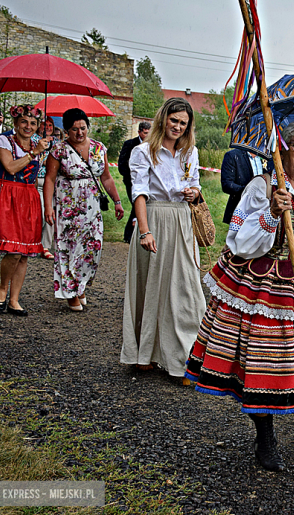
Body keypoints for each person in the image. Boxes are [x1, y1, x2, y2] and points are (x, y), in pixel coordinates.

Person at [185, 121, 294, 471]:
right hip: (261, 290)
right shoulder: (262, 187)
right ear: (282, 148)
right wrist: (272, 213)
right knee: (261, 362)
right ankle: (265, 438)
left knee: (287, 364)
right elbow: (239, 241)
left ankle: (270, 430)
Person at [120, 98, 205, 379]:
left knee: (186, 289)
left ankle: (183, 361)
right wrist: (144, 231)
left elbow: (194, 185)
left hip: (182, 219)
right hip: (154, 218)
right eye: (174, 120)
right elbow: (139, 193)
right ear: (163, 119)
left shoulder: (189, 152)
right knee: (151, 287)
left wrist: (193, 192)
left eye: (183, 123)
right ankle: (144, 353)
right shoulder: (143, 152)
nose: (178, 126)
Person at [43, 108, 125, 311]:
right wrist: (48, 206)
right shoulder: (59, 150)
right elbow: (49, 179)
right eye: (74, 129)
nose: (79, 133)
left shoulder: (99, 148)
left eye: (83, 128)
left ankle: (80, 286)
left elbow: (106, 177)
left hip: (92, 209)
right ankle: (70, 292)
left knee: (92, 248)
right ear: (66, 130)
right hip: (68, 208)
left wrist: (117, 201)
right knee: (69, 249)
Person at [0, 105, 51, 316]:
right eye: (24, 122)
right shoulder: (4, 141)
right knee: (13, 250)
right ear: (15, 123)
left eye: (33, 123)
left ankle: (14, 299)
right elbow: (10, 167)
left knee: (24, 252)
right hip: (9, 194)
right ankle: (3, 288)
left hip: (30, 196)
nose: (28, 126)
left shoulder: (39, 143)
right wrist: (34, 153)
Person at [117, 121, 151, 243]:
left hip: (146, 182)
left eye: (149, 133)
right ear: (139, 132)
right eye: (145, 133)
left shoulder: (152, 145)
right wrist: (130, 177)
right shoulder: (130, 144)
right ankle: (130, 234)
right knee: (136, 205)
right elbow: (122, 163)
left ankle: (132, 234)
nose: (147, 136)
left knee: (139, 206)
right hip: (131, 181)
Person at [220, 146, 266, 224]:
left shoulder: (267, 157)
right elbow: (227, 185)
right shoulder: (232, 156)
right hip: (241, 210)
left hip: (264, 211)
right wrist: (250, 191)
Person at [34, 116, 57, 260]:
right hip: (38, 181)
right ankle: (35, 241)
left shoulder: (56, 142)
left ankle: (45, 246)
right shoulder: (34, 140)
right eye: (44, 125)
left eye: (50, 125)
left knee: (51, 214)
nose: (47, 127)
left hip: (52, 182)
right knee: (41, 212)